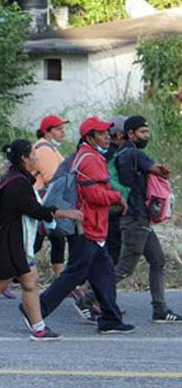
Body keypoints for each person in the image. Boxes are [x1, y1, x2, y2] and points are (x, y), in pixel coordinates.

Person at [0, 140, 79, 342]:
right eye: (33, 154)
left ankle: (39, 329)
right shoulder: (17, 183)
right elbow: (34, 210)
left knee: (30, 282)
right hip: (9, 243)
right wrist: (65, 213)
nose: (37, 157)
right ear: (24, 158)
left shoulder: (16, 178)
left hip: (17, 243)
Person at [37, 117, 135, 334]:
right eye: (101, 133)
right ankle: (35, 311)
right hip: (87, 226)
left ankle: (110, 319)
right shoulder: (90, 159)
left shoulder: (88, 155)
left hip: (92, 226)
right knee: (74, 274)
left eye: (107, 133)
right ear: (89, 137)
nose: (106, 137)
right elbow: (94, 195)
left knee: (104, 273)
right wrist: (117, 196)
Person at [113, 115, 180, 323]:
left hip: (139, 218)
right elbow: (160, 172)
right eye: (142, 132)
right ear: (130, 134)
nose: (146, 136)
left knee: (158, 261)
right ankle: (88, 297)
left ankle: (160, 310)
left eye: (147, 132)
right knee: (125, 268)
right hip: (135, 218)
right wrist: (163, 170)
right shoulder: (134, 153)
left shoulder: (123, 152)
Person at [31, 115, 69, 276]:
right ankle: (8, 276)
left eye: (63, 128)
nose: (63, 132)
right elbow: (52, 177)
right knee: (40, 240)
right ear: (47, 132)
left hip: (44, 200)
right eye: (58, 129)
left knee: (56, 237)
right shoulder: (44, 149)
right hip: (42, 200)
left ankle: (60, 279)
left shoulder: (48, 147)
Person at [104, 115, 127, 264]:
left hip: (104, 209)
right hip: (114, 208)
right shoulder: (116, 155)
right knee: (112, 253)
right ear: (119, 135)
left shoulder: (102, 153)